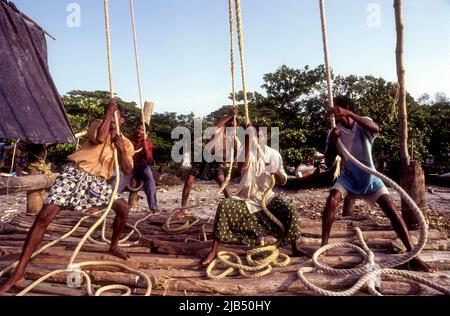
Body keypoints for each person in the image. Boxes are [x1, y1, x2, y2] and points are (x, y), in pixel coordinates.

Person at [0, 98, 135, 294]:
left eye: (116, 117)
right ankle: (19, 271)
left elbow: (128, 168)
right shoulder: (98, 124)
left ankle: (114, 244)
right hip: (75, 173)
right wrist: (107, 114)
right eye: (110, 115)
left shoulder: (127, 143)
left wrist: (121, 149)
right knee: (44, 217)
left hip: (96, 182)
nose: (113, 120)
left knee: (123, 207)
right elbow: (98, 139)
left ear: (122, 120)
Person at [321, 95, 433, 272]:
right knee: (332, 200)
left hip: (370, 176)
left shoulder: (364, 122)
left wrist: (349, 113)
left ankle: (414, 255)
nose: (334, 111)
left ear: (346, 107)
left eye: (337, 108)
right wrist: (332, 142)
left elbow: (376, 128)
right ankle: (323, 247)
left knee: (392, 211)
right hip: (349, 177)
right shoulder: (334, 131)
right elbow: (327, 161)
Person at [202, 126, 304, 266]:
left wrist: (276, 172)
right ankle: (214, 250)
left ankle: (294, 247)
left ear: (265, 138)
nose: (258, 139)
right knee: (224, 205)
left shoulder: (273, 155)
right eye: (255, 136)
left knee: (289, 207)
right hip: (246, 198)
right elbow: (242, 166)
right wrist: (248, 142)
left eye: (260, 136)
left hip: (267, 198)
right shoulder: (244, 152)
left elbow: (283, 180)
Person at [179, 107, 239, 216]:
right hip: (202, 157)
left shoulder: (233, 139)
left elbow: (227, 156)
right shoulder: (219, 130)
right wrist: (230, 115)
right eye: (230, 123)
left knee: (223, 183)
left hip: (216, 162)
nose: (231, 125)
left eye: (233, 124)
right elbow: (218, 124)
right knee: (189, 182)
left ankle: (233, 209)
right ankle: (183, 209)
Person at [113, 122, 158, 212]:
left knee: (150, 179)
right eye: (138, 128)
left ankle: (154, 207)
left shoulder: (147, 142)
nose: (139, 131)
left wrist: (145, 148)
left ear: (146, 133)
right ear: (135, 128)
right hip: (129, 166)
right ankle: (109, 203)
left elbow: (149, 160)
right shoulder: (128, 139)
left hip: (143, 166)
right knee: (117, 180)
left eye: (142, 130)